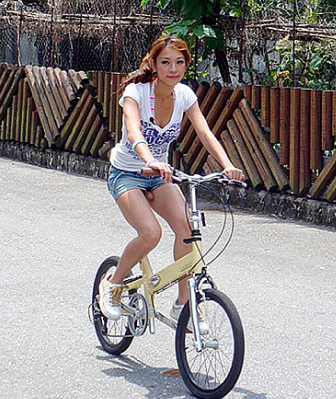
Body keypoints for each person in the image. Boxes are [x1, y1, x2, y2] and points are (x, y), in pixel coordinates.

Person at [100, 35, 244, 329]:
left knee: (187, 229)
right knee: (150, 233)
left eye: (179, 62)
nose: (173, 69)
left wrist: (227, 166)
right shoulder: (135, 92)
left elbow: (205, 134)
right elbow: (133, 132)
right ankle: (112, 286)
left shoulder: (185, 96)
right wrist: (148, 158)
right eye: (165, 62)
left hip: (161, 176)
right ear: (153, 64)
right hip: (128, 173)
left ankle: (182, 304)